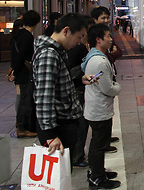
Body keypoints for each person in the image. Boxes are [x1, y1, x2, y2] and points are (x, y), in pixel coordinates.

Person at [32, 13, 93, 166]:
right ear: (66, 31)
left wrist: (79, 80)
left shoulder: (57, 51)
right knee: (58, 175)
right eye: (79, 37)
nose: (79, 42)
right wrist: (50, 135)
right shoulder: (49, 54)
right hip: (59, 126)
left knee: (64, 173)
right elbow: (44, 98)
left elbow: (55, 85)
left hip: (64, 123)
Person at [81, 24, 121, 189]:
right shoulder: (99, 61)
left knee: (99, 142)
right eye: (108, 36)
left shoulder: (96, 56)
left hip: (96, 107)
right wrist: (117, 87)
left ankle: (98, 171)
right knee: (98, 144)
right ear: (98, 40)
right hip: (99, 109)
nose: (111, 39)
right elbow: (108, 88)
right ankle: (97, 177)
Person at [90, 6, 121, 150]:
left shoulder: (105, 34)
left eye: (107, 18)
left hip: (106, 77)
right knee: (99, 121)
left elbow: (118, 51)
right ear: (95, 20)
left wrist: (112, 55)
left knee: (106, 116)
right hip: (98, 86)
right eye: (103, 18)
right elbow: (108, 56)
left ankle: (105, 140)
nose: (106, 20)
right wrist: (111, 55)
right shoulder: (93, 37)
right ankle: (100, 149)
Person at [67, 15, 94, 168]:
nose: (81, 39)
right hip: (76, 93)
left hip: (78, 87)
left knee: (82, 125)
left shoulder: (80, 47)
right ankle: (77, 156)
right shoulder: (78, 48)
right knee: (81, 125)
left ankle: (77, 156)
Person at [11, 11, 41, 137]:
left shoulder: (17, 35)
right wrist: (16, 71)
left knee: (24, 99)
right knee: (25, 100)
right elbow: (22, 55)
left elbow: (15, 54)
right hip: (25, 72)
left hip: (20, 71)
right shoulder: (28, 37)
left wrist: (13, 69)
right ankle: (22, 127)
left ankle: (22, 124)